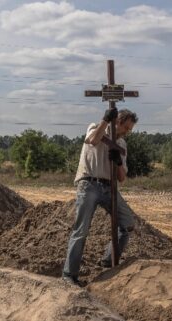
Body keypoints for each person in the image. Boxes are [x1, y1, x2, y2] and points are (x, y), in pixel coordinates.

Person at [62, 107, 139, 286]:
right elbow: (92, 140)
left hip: (109, 187)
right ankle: (69, 275)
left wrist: (119, 162)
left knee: (127, 225)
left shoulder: (122, 145)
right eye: (126, 128)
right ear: (118, 122)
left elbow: (122, 178)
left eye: (130, 129)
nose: (128, 132)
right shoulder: (95, 127)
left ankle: (107, 261)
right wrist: (105, 119)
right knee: (81, 230)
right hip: (88, 184)